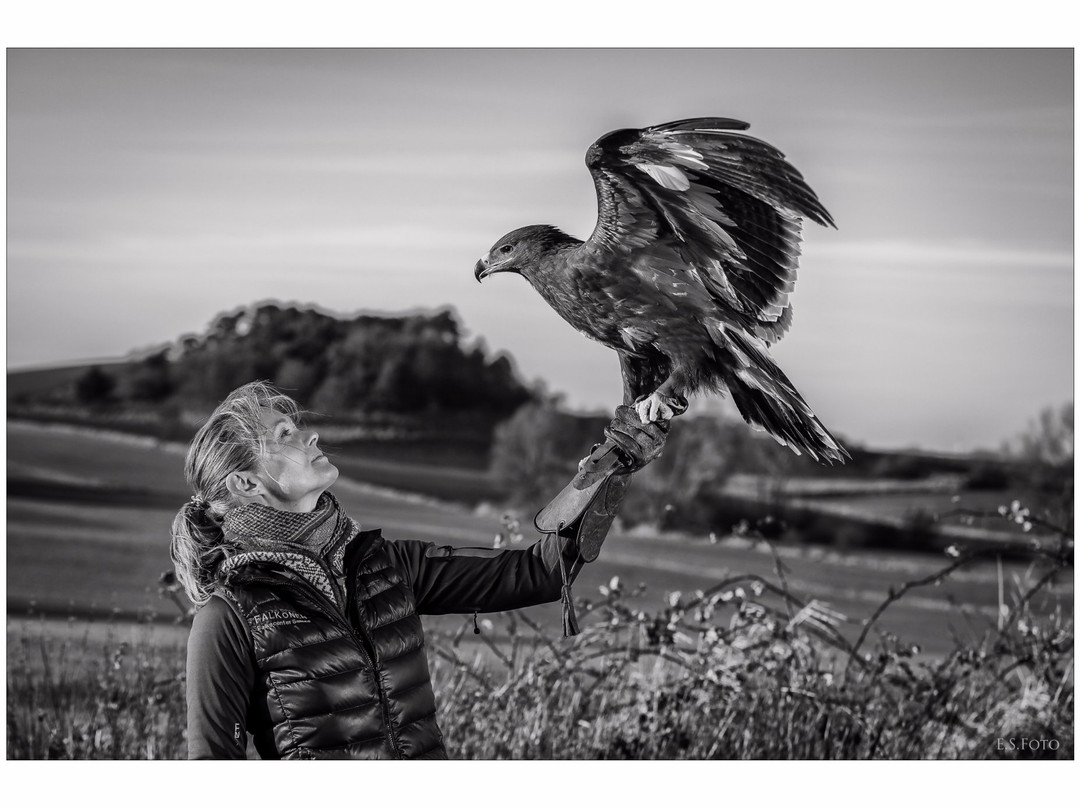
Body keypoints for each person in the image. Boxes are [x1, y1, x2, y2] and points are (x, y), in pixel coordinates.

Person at [170, 380, 667, 759]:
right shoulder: (229, 617)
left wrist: (610, 466)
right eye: (285, 435)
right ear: (245, 484)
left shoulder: (385, 565)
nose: (310, 433)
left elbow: (539, 572)